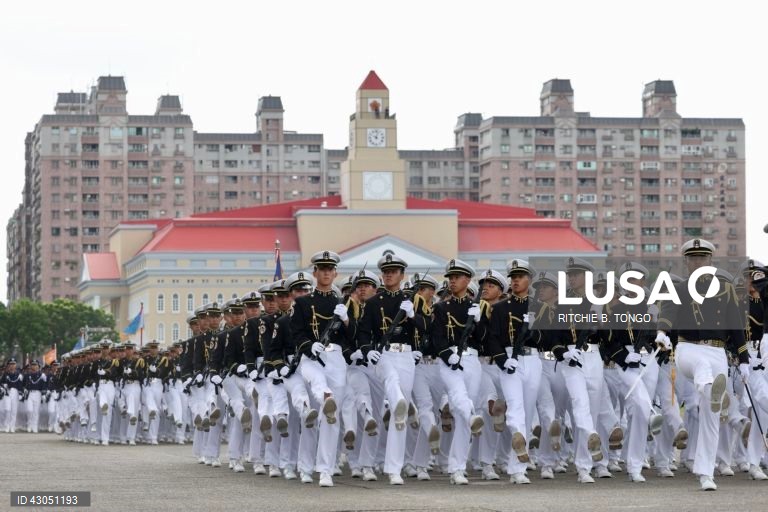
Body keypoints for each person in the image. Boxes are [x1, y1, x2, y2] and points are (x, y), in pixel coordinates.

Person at [657, 238, 750, 491]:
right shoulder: (678, 288)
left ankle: (706, 472)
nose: (697, 262)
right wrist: (663, 333)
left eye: (702, 258)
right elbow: (667, 312)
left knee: (711, 417)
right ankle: (710, 386)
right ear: (686, 262)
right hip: (688, 349)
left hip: (718, 351)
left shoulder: (725, 288)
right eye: (693, 258)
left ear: (710, 261)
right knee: (703, 372)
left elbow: (736, 325)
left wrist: (743, 359)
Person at [358, 251, 430, 485]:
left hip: (406, 355)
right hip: (384, 354)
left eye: (393, 272)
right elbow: (363, 333)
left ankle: (394, 468)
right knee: (391, 381)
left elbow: (426, 327)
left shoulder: (413, 301)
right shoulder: (372, 303)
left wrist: (412, 316)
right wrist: (369, 350)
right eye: (386, 272)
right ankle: (398, 398)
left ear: (401, 275)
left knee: (400, 419)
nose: (389, 276)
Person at [431, 258, 487, 485]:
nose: (452, 281)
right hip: (450, 359)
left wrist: (481, 321)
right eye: (450, 278)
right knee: (458, 396)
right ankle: (473, 415)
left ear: (467, 280)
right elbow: (437, 338)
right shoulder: (441, 307)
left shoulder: (476, 308)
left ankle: (457, 468)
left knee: (463, 418)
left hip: (472, 360)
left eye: (456, 277)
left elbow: (483, 340)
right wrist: (447, 354)